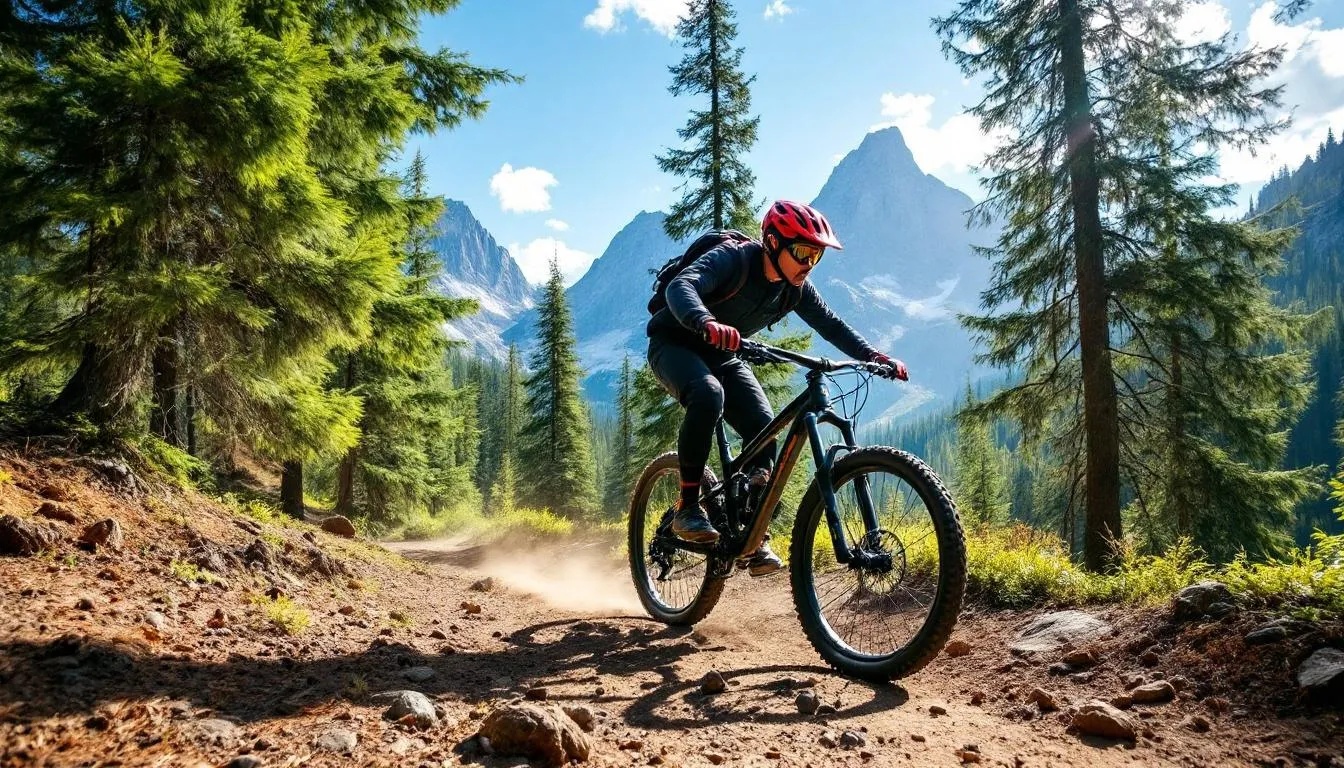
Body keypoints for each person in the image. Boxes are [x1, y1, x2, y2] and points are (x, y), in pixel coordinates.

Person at [645, 200, 908, 576]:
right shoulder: (734, 260)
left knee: (765, 429)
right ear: (772, 241)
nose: (808, 264)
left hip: (723, 354)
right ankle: (687, 508)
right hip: (674, 343)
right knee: (708, 394)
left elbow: (830, 324)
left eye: (816, 256)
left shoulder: (794, 289)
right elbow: (680, 286)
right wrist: (704, 320)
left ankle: (750, 535)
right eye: (802, 252)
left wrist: (872, 355)